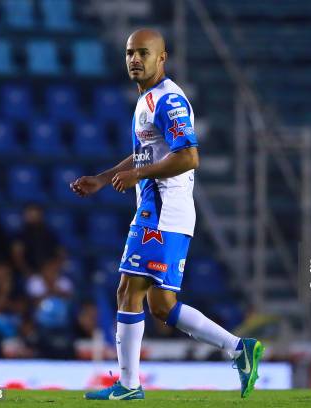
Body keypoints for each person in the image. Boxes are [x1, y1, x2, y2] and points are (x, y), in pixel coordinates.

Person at [70, 28, 263, 400]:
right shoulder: (147, 100)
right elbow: (148, 151)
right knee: (161, 305)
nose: (134, 59)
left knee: (128, 289)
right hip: (161, 211)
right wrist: (103, 178)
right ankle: (240, 349)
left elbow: (189, 156)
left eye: (143, 52)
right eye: (129, 53)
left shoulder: (169, 101)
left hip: (161, 212)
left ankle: (128, 385)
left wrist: (137, 175)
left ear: (162, 58)